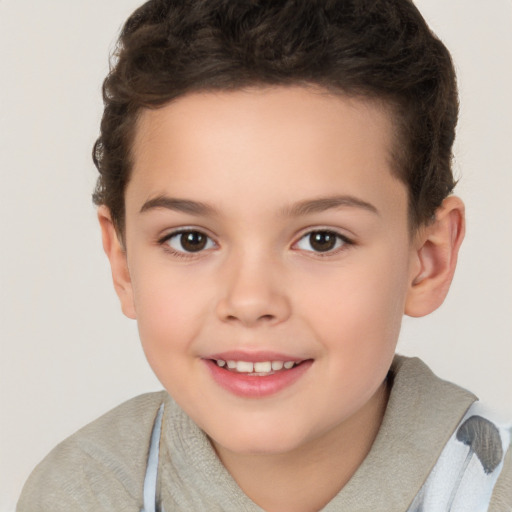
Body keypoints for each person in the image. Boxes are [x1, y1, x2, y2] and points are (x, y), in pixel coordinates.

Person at [17, 0, 511, 510]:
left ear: (427, 259)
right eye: (191, 239)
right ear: (123, 263)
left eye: (322, 239)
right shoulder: (82, 491)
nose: (250, 301)